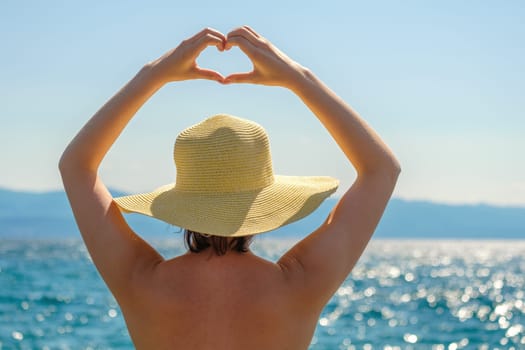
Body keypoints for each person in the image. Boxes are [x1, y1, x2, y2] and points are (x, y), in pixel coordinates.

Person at [59, 26, 400, 350]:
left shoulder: (141, 281)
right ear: (265, 201)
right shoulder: (300, 283)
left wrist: (153, 74)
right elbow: (381, 171)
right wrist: (298, 77)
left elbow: (76, 168)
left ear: (183, 198)